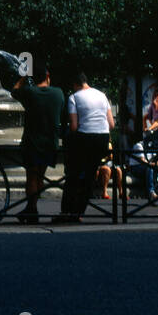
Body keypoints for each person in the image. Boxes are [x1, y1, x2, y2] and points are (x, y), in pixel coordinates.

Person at [11, 65, 65, 223]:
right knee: (40, 176)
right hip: (51, 142)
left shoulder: (29, 92)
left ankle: (32, 209)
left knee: (31, 177)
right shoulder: (58, 93)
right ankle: (31, 208)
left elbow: (14, 91)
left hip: (32, 141)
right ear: (48, 76)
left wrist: (23, 77)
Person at [61, 73, 115, 220]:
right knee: (90, 175)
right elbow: (111, 124)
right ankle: (79, 212)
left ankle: (66, 212)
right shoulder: (102, 95)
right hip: (102, 138)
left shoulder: (74, 97)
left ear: (75, 84)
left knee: (73, 175)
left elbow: (73, 126)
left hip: (84, 137)